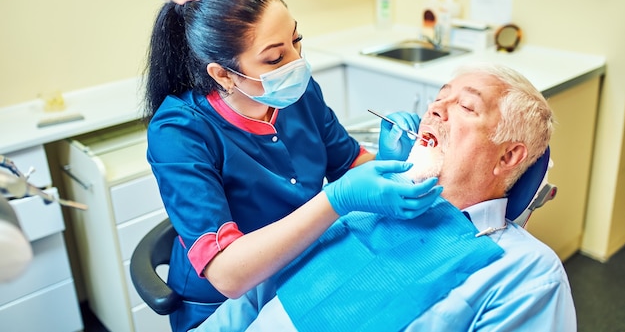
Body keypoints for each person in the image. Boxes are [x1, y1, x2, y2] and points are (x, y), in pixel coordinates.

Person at [143, 0, 442, 332]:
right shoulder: (179, 131)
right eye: (274, 57)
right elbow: (227, 274)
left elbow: (348, 165)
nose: (297, 62)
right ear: (222, 74)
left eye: (296, 41)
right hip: (225, 305)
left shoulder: (298, 93)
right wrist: (336, 200)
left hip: (304, 272)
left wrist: (394, 162)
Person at [190, 64, 577, 332]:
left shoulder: (527, 274)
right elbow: (249, 302)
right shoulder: (358, 206)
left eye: (465, 106)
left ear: (508, 156)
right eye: (439, 98)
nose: (435, 110)